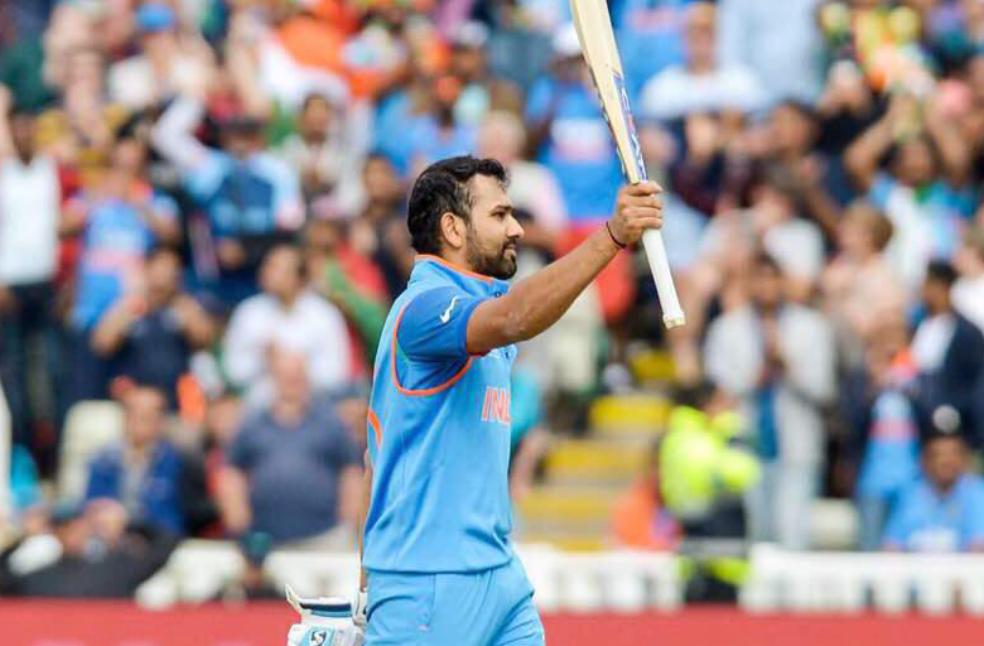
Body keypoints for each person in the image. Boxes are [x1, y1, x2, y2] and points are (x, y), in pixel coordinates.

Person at [360, 156, 662, 645]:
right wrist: (611, 237)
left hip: (499, 575)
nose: (517, 228)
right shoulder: (424, 308)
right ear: (452, 228)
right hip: (427, 584)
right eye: (500, 215)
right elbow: (513, 318)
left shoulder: (482, 307)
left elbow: (374, 464)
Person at [704, 253, 836, 550]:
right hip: (745, 444)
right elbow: (718, 392)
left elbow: (824, 388)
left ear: (782, 282)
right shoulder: (727, 327)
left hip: (796, 444)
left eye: (772, 278)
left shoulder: (810, 326)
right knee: (755, 534)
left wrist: (787, 366)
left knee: (793, 532)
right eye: (759, 279)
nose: (766, 286)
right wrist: (756, 378)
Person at [219, 350, 363, 547]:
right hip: (264, 540)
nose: (292, 381)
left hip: (324, 537)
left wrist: (350, 520)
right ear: (274, 378)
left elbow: (351, 471)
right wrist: (237, 514)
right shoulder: (252, 423)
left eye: (297, 375)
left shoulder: (331, 422)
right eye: (286, 375)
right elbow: (233, 471)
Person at [0, 88, 62, 470]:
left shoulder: (51, 171)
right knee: (15, 370)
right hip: (11, 284)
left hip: (46, 281)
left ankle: (49, 451)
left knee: (50, 369)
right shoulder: (4, 176)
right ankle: (22, 449)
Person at [223, 244, 352, 407]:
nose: (268, 273)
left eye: (277, 269)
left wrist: (296, 367)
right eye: (267, 266)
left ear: (299, 277)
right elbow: (233, 371)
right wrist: (264, 358)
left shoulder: (324, 315)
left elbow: (337, 374)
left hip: (314, 408)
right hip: (259, 408)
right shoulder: (248, 312)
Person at [91, 247, 216, 409]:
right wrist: (134, 300)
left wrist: (179, 300)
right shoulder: (130, 306)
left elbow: (205, 338)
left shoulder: (183, 307)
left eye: (172, 269)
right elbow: (102, 344)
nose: (165, 275)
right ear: (147, 269)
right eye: (161, 267)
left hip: (175, 399)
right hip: (134, 400)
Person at [84, 386, 208, 536]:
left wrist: (134, 524)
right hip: (109, 537)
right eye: (133, 414)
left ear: (161, 421)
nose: (139, 422)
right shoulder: (103, 460)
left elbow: (181, 516)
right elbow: (91, 504)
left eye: (147, 416)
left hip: (156, 538)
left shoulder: (177, 462)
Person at [911, 261, 984, 445]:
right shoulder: (919, 326)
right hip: (920, 418)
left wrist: (953, 409)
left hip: (955, 424)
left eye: (928, 285)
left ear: (943, 287)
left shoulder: (968, 332)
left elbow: (973, 381)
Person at [883, 430, 984, 552]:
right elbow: (892, 544)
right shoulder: (909, 494)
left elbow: (978, 547)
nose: (945, 461)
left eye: (953, 454)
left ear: (965, 460)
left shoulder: (977, 493)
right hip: (915, 563)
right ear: (924, 461)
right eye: (937, 455)